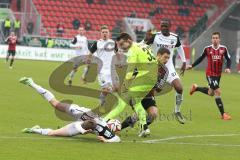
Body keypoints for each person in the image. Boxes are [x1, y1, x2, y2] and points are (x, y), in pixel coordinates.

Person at [19, 77, 121, 143]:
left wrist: (106, 140)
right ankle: (32, 83)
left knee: (53, 133)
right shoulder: (82, 116)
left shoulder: (101, 129)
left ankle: (34, 129)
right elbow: (102, 104)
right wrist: (104, 94)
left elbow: (117, 139)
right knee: (56, 104)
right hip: (78, 113)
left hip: (82, 124)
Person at [104, 33, 158, 137]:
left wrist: (124, 85)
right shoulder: (143, 45)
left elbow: (130, 71)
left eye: (121, 44)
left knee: (122, 101)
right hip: (152, 78)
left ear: (128, 41)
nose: (120, 47)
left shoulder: (133, 50)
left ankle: (103, 122)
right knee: (136, 102)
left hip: (144, 77)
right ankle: (144, 128)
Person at [121, 47, 171, 133]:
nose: (166, 60)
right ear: (158, 55)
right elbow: (133, 73)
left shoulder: (165, 71)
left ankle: (143, 128)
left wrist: (152, 81)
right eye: (165, 57)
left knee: (154, 113)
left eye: (168, 58)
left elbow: (159, 88)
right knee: (137, 115)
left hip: (148, 95)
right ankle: (118, 128)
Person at [146, 19, 186, 124]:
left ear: (170, 26)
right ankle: (146, 117)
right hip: (155, 68)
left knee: (179, 88)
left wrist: (184, 61)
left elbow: (180, 48)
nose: (163, 27)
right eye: (162, 25)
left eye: (165, 26)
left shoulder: (174, 37)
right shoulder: (155, 36)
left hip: (169, 68)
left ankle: (177, 110)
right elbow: (144, 45)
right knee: (150, 93)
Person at [187, 32, 232, 120]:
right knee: (217, 92)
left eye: (216, 38)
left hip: (218, 75)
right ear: (211, 39)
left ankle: (196, 88)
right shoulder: (207, 49)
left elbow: (228, 59)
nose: (215, 39)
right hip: (210, 74)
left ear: (219, 39)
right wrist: (192, 65)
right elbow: (200, 58)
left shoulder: (224, 49)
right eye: (213, 38)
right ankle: (223, 114)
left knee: (210, 93)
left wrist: (228, 67)